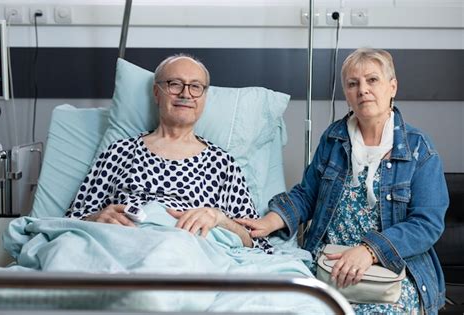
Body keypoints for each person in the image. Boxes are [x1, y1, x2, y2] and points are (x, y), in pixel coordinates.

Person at [236, 48, 448, 314]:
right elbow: (307, 195)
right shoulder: (334, 139)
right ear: (346, 94)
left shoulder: (419, 149)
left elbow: (426, 224)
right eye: (352, 83)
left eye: (372, 80)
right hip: (328, 265)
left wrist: (370, 250)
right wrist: (269, 221)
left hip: (389, 272)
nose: (362, 90)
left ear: (392, 87)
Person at [65, 53, 272, 253]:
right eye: (175, 84)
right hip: (122, 243)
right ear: (156, 93)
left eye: (195, 87)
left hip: (187, 249)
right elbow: (72, 219)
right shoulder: (120, 152)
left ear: (204, 98)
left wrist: (219, 218)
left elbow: (253, 241)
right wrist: (98, 218)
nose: (185, 93)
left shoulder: (222, 164)